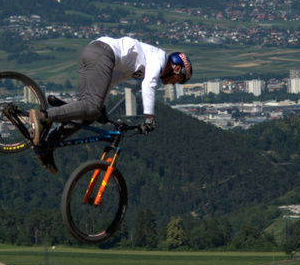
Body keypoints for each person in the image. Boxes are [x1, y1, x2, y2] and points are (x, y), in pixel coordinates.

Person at [24, 37, 192, 173]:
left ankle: (48, 145)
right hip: (102, 53)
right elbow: (149, 84)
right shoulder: (159, 59)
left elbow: (112, 78)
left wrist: (103, 106)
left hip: (92, 52)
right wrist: (149, 118)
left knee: (88, 115)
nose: (173, 84)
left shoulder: (144, 64)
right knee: (91, 107)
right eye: (178, 80)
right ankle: (44, 117)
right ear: (176, 69)